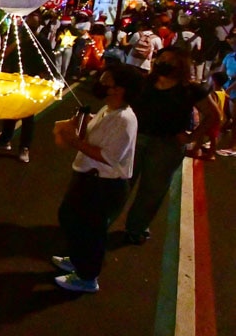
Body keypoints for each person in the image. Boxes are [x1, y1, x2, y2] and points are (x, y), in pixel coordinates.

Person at [52, 64, 143, 293]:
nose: (102, 84)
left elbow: (109, 157)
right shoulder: (109, 109)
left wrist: (74, 141)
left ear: (120, 89)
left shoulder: (125, 119)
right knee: (70, 218)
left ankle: (87, 277)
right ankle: (77, 259)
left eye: (108, 81)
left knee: (91, 231)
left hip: (104, 184)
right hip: (89, 178)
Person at [123, 47, 221, 245]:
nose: (163, 63)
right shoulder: (146, 82)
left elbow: (213, 115)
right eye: (162, 58)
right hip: (136, 139)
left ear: (181, 65)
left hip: (166, 146)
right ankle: (101, 225)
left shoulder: (191, 89)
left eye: (171, 60)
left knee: (152, 190)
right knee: (121, 184)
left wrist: (192, 136)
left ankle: (136, 227)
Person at [0, 12, 53, 163]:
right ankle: (5, 139)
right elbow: (3, 55)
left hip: (31, 84)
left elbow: (48, 62)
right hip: (14, 80)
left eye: (33, 24)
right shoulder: (16, 39)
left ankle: (24, 147)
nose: (29, 27)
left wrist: (41, 79)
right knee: (10, 110)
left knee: (27, 116)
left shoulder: (42, 42)